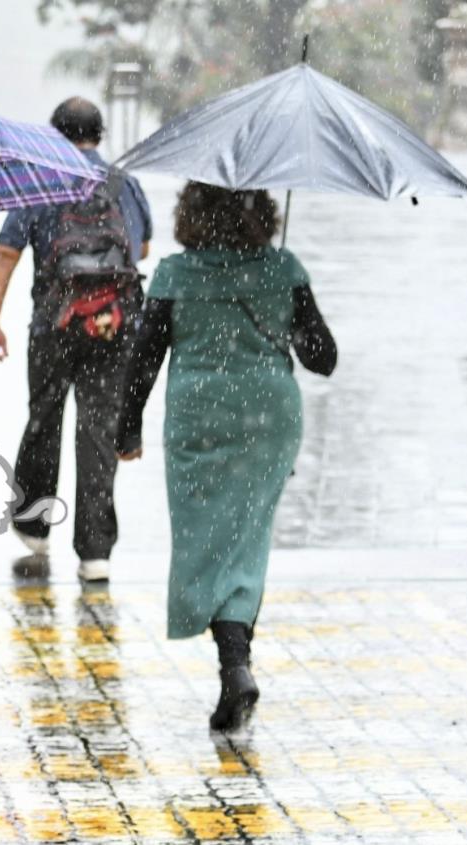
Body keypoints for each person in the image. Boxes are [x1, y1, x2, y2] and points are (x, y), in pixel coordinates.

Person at [116, 182, 336, 731]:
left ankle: (233, 666)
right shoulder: (284, 269)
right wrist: (286, 309)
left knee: (205, 542)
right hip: (268, 418)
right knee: (246, 539)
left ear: (190, 215)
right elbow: (324, 359)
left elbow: (144, 359)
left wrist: (126, 428)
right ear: (262, 211)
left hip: (200, 421)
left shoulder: (173, 274)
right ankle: (237, 663)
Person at [0, 97, 152, 582]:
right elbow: (140, 247)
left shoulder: (40, 180)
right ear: (98, 134)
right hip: (113, 326)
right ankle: (95, 551)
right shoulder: (124, 184)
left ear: (54, 135)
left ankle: (35, 526)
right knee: (97, 430)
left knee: (45, 418)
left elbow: (4, 251)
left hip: (52, 326)